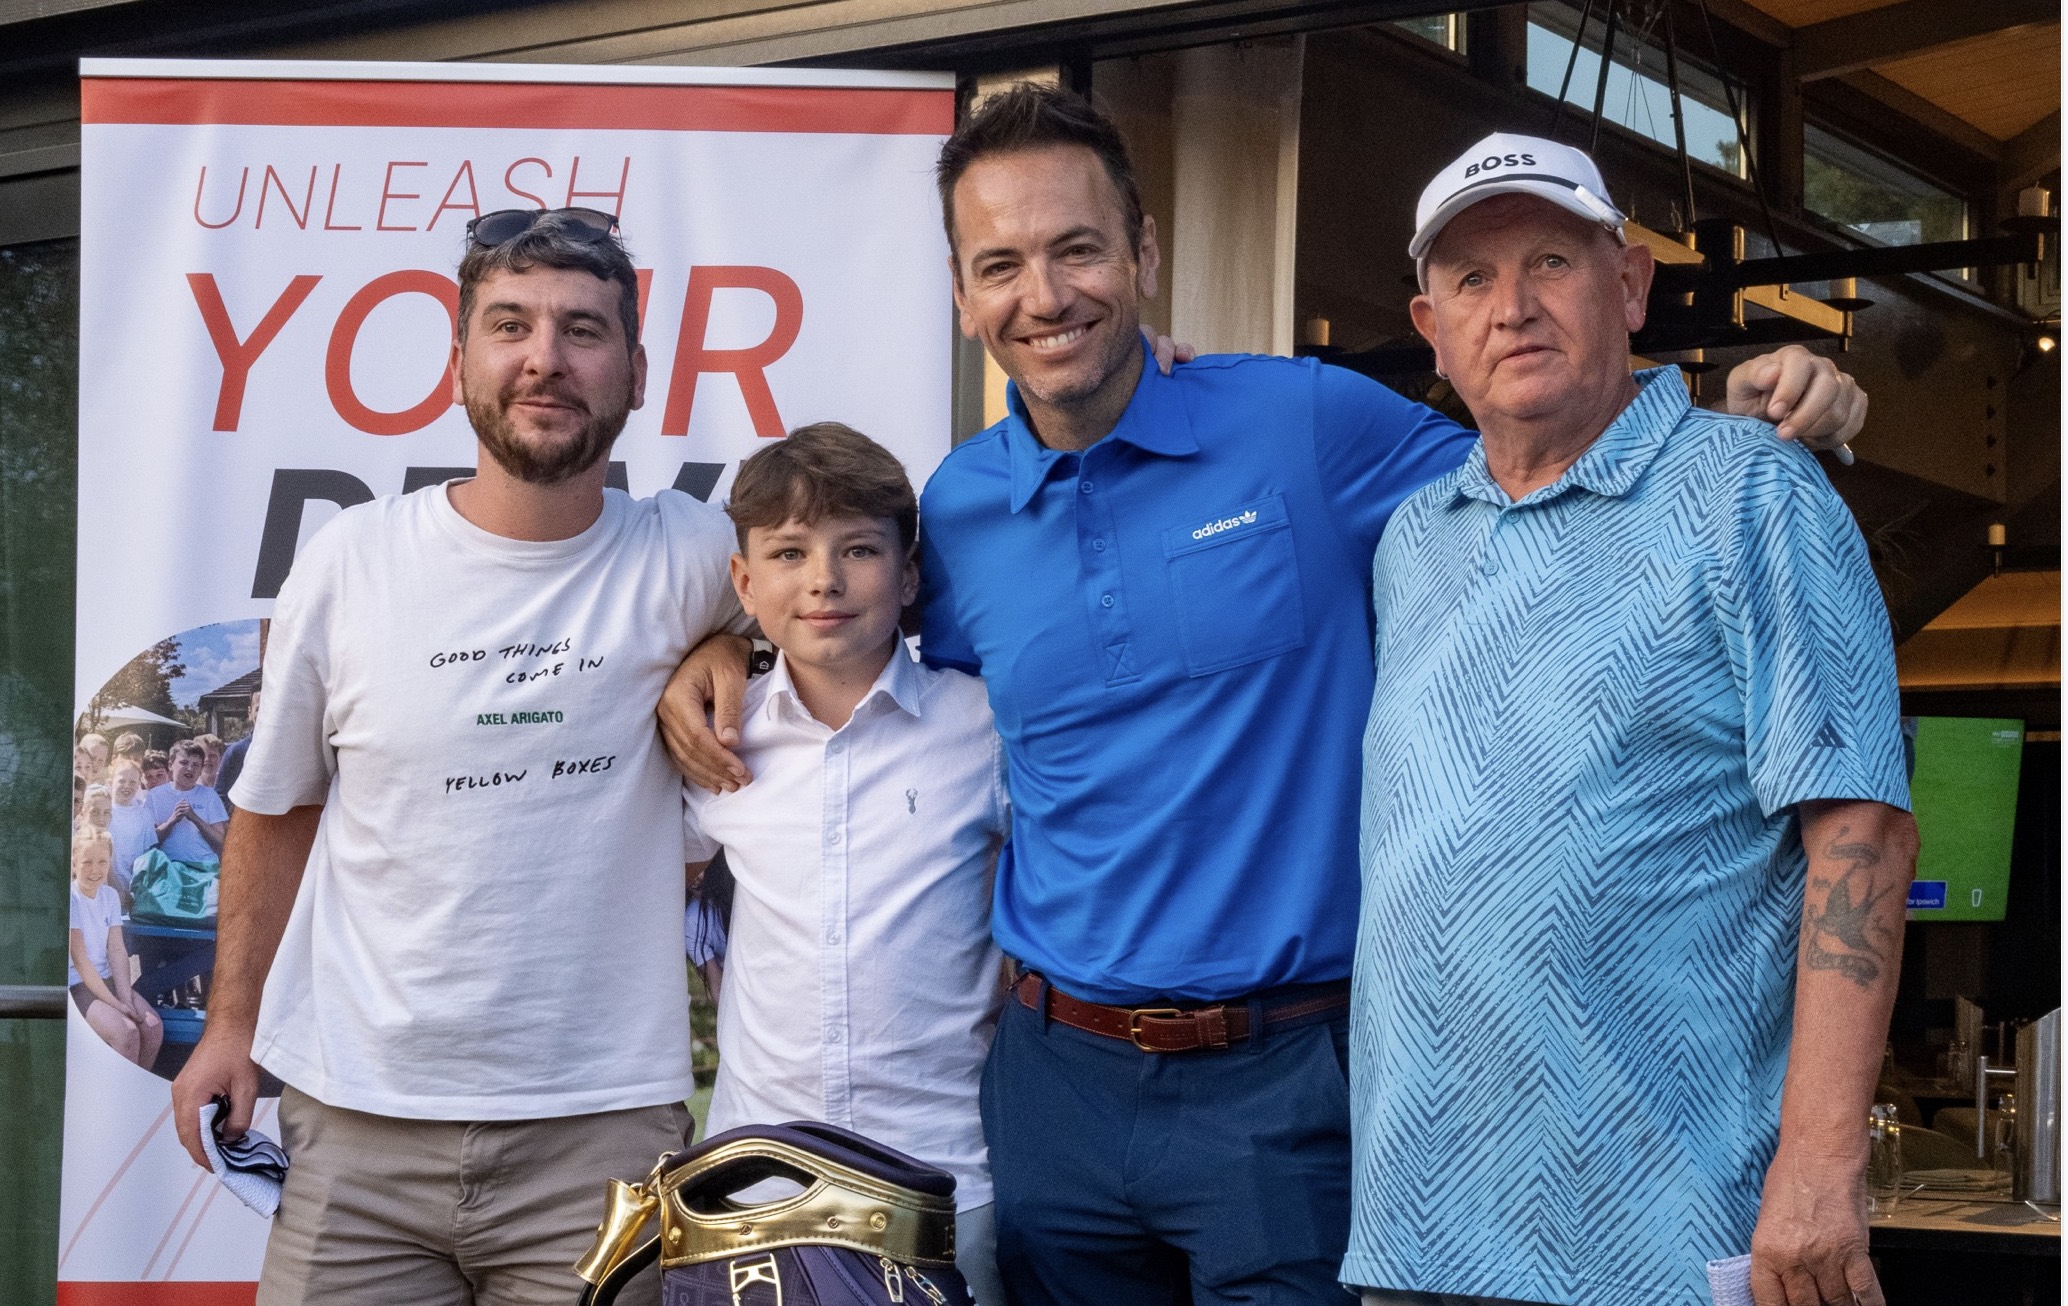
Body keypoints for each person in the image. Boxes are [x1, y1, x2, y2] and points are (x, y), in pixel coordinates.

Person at [658, 85, 1870, 1306]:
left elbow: (1547, 461)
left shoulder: (1306, 423)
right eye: (1001, 264)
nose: (1047, 294)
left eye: (1080, 248)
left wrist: (1745, 413)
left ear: (1143, 253)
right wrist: (720, 640)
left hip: (1286, 1077)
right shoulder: (961, 508)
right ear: (964, 296)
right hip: (1049, 1088)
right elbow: (837, 620)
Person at [1341, 134, 1916, 1306]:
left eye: (1551, 260)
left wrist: (1819, 1166)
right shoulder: (1413, 538)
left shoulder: (1751, 489)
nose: (1511, 307)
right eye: (1471, 280)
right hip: (1416, 1234)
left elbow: (1860, 825)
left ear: (1630, 286)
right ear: (1430, 326)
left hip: (1657, 1234)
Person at [169, 207, 748, 1306]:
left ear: (635, 371)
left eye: (584, 330)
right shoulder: (350, 562)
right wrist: (230, 1025)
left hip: (600, 1136)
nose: (546, 358)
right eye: (511, 325)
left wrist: (728, 638)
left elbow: (851, 600)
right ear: (457, 362)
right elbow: (277, 805)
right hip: (357, 1127)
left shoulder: (692, 550)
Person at [681, 423, 1011, 1306]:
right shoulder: (713, 738)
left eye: (858, 549)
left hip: (946, 1177)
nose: (823, 580)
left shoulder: (982, 728)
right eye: (788, 553)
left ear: (907, 575)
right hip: (761, 1188)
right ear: (744, 583)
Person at [69, 827, 164, 1070]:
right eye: (87, 862)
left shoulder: (110, 896)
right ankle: (119, 1101)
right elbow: (81, 961)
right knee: (127, 1034)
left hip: (107, 981)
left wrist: (126, 998)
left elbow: (117, 951)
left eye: (102, 862)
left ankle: (136, 1094)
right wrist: (115, 1004)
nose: (95, 870)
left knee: (152, 1027)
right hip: (79, 985)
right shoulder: (71, 898)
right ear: (73, 863)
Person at [147, 738, 228, 864]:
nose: (190, 769)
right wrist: (171, 821)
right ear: (170, 765)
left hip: (204, 867)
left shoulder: (210, 795)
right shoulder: (154, 795)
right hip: (168, 866)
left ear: (201, 770)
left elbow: (221, 842)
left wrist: (195, 818)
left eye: (196, 765)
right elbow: (148, 842)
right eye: (184, 763)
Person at [107, 757, 159, 897]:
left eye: (132, 782)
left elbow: (148, 856)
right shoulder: (104, 811)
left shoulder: (145, 815)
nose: (127, 786)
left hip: (135, 888)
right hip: (106, 885)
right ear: (110, 782)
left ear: (138, 785)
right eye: (122, 781)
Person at [216, 690, 257, 809]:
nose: (266, 713)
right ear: (250, 712)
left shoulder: (291, 752)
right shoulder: (236, 752)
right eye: (259, 709)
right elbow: (221, 796)